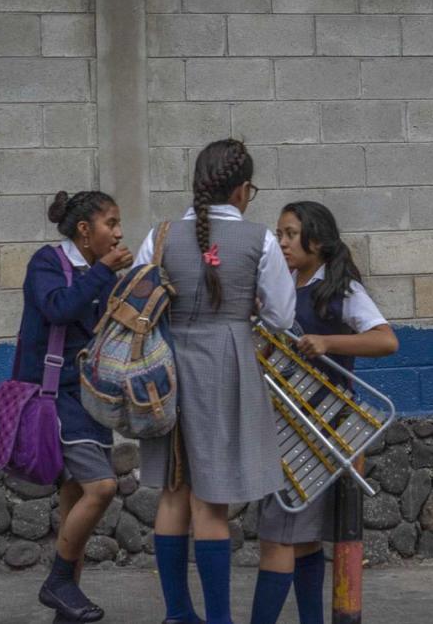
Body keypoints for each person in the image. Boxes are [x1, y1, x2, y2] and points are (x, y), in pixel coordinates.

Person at [135, 139, 296, 624]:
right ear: (243, 189)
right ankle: (220, 619)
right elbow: (282, 316)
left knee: (172, 490)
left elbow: (141, 298)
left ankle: (179, 613)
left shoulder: (159, 234)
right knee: (212, 499)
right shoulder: (260, 239)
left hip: (165, 373)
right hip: (226, 369)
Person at [250, 201, 399, 624]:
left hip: (318, 428)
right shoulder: (281, 286)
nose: (282, 242)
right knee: (305, 542)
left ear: (316, 240)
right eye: (279, 234)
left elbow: (386, 340)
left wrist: (329, 343)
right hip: (281, 423)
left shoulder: (341, 291)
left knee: (280, 538)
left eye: (291, 234)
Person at [22, 191, 133, 623]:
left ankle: (67, 608)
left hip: (91, 397)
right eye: (111, 223)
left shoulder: (102, 271)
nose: (119, 232)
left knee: (74, 502)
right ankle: (57, 582)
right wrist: (104, 271)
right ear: (85, 231)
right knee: (101, 487)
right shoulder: (48, 263)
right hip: (54, 396)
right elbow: (59, 308)